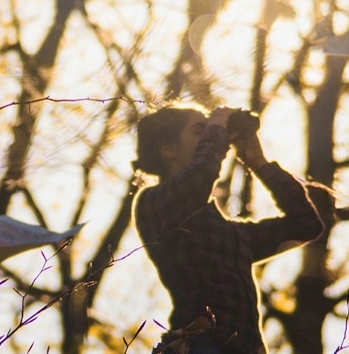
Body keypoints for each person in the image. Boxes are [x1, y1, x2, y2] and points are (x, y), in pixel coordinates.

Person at [132, 103, 323, 354]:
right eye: (200, 130)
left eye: (210, 130)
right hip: (196, 345)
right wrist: (218, 128)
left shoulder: (232, 235)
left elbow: (306, 224)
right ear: (169, 148)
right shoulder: (153, 203)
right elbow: (200, 176)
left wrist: (260, 163)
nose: (212, 135)